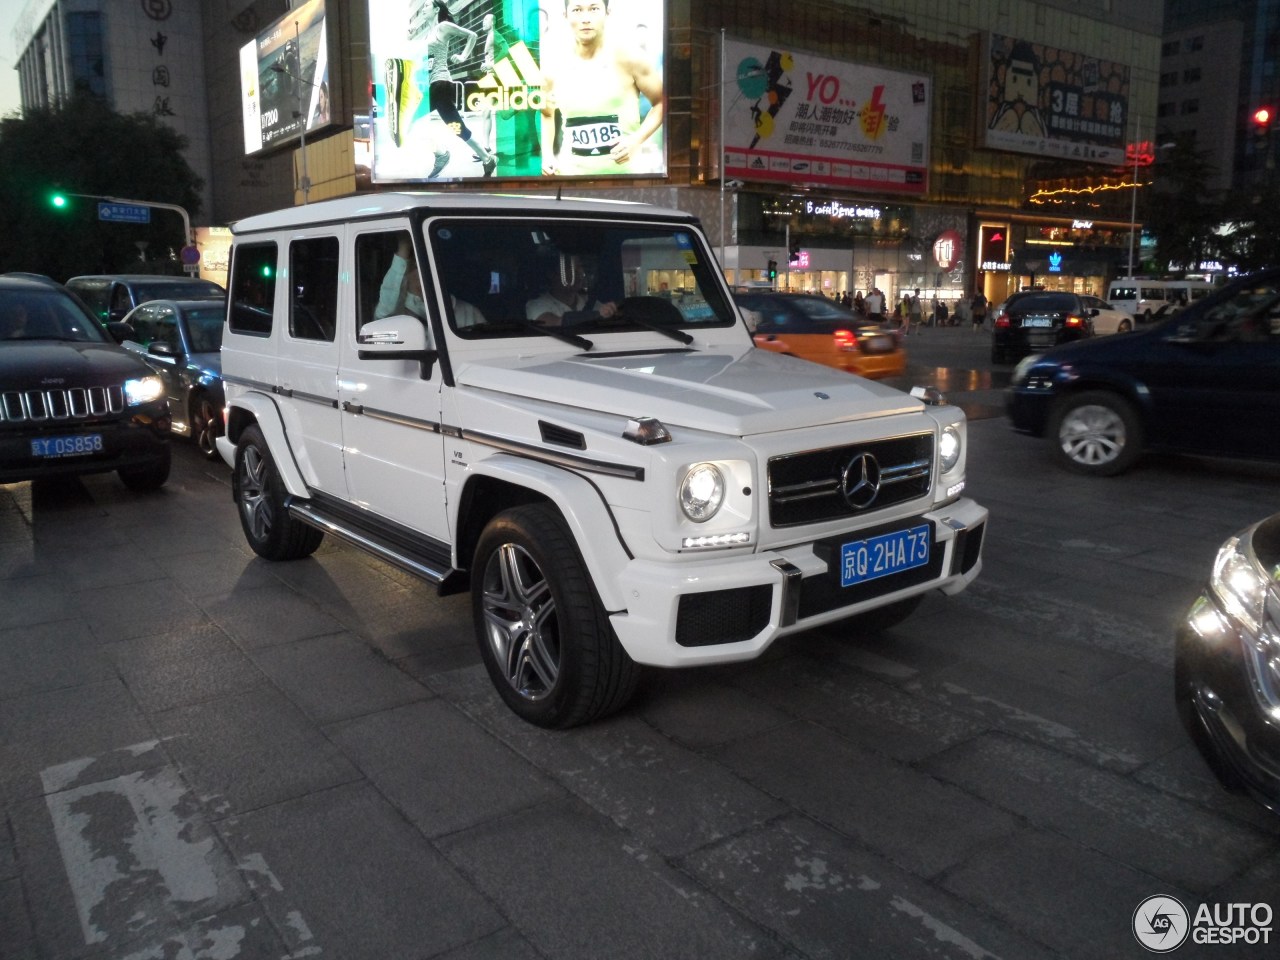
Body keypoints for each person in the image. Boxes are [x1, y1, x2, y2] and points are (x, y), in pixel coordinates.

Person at [540, 0, 664, 176]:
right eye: (577, 10)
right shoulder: (554, 63)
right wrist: (547, 156)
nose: (586, 18)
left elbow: (662, 102)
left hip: (625, 179)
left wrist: (635, 140)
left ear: (607, 12)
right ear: (565, 16)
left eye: (594, 9)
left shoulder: (630, 57)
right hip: (571, 178)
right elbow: (547, 112)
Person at [376, 236, 483, 328]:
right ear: (404, 272)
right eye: (416, 266)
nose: (423, 271)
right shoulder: (395, 312)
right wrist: (404, 246)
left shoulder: (468, 311)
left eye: (430, 265)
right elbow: (387, 302)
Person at [526, 252, 617, 326]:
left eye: (579, 266)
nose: (579, 272)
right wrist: (596, 315)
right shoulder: (536, 305)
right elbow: (552, 323)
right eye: (570, 267)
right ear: (551, 274)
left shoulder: (591, 302)